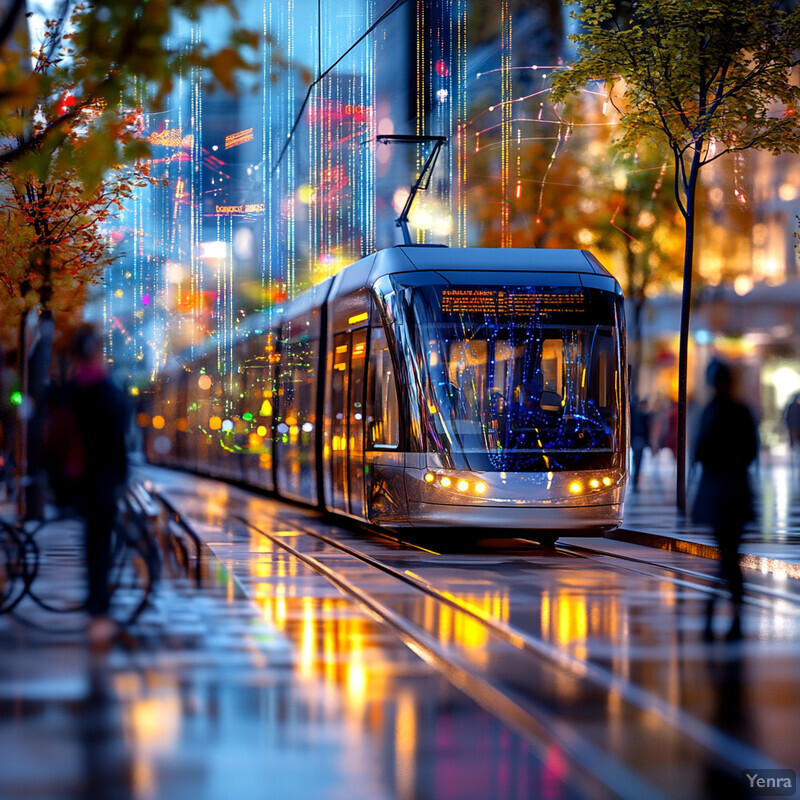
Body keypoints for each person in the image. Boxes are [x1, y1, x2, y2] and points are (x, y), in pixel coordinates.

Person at [63, 326, 130, 646]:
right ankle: (98, 609)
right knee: (100, 543)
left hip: (80, 476)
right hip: (102, 477)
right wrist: (121, 476)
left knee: (93, 541)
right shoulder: (104, 389)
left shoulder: (73, 388)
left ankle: (96, 604)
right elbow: (117, 438)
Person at [691, 360, 758, 641]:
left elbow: (700, 451)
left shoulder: (712, 412)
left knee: (727, 555)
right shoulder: (741, 411)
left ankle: (715, 611)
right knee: (730, 554)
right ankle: (730, 612)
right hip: (735, 493)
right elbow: (751, 451)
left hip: (719, 494)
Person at [630, 396, 651, 491]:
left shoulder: (643, 415)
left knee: (638, 458)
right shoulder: (637, 415)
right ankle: (635, 476)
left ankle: (636, 476)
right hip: (637, 439)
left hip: (639, 439)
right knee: (637, 458)